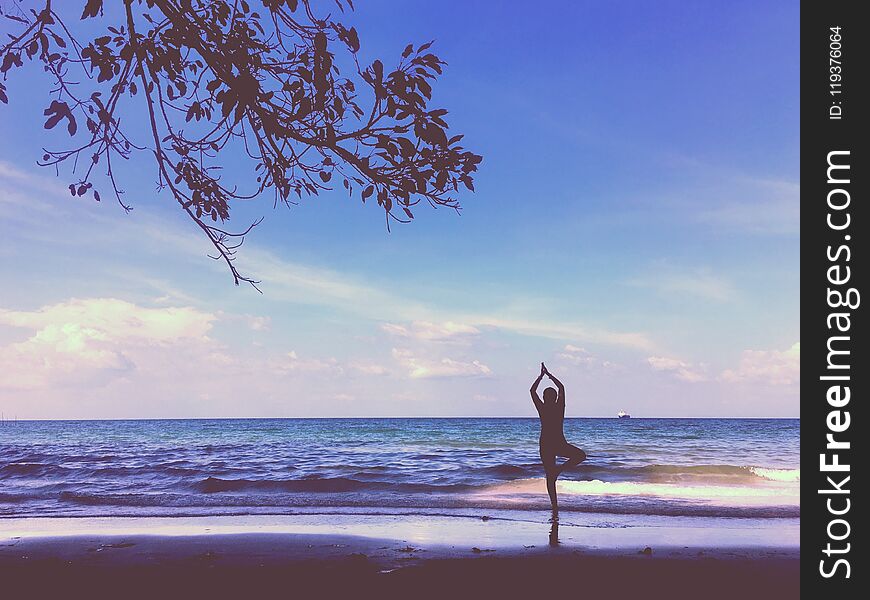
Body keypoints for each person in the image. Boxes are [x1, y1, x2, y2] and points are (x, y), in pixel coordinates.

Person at [530, 362, 587, 515]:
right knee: (580, 456)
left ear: (544, 397)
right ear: (555, 397)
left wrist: (541, 377)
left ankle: (554, 506)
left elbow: (532, 391)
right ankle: (558, 473)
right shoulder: (559, 407)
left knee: (550, 476)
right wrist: (549, 375)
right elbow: (561, 387)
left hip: (547, 444)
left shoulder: (542, 408)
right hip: (558, 443)